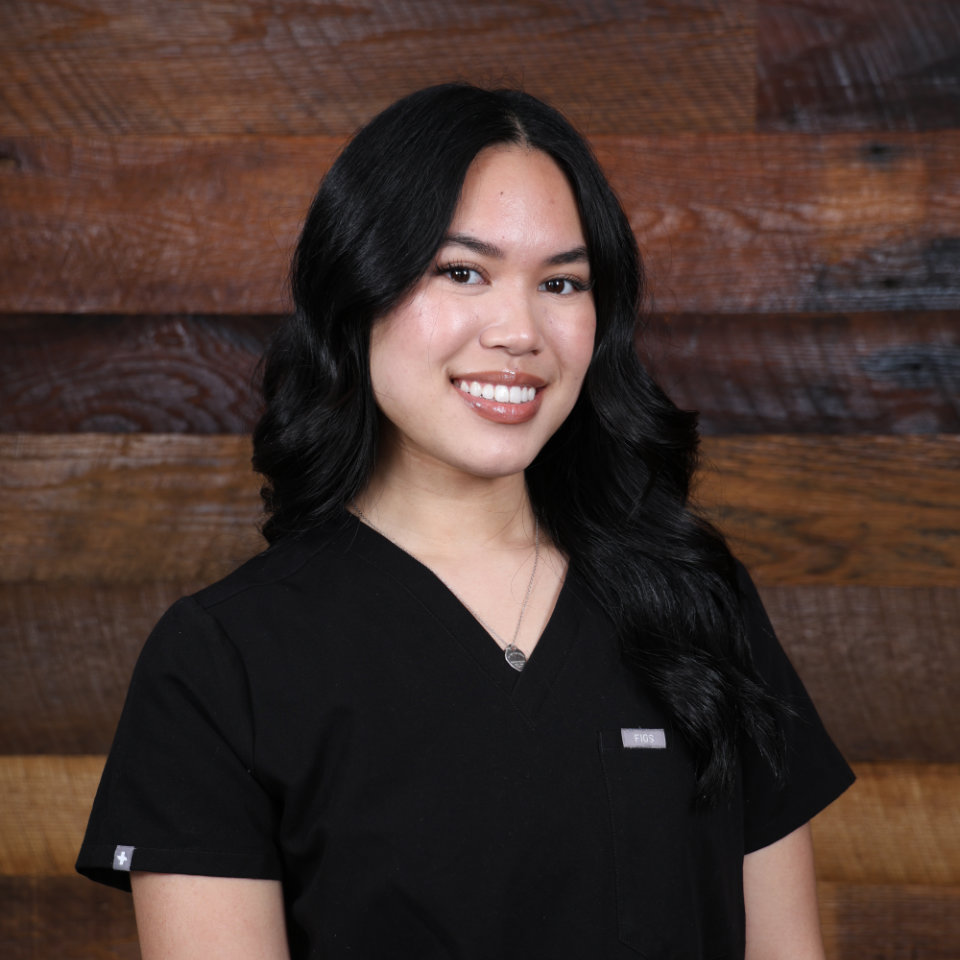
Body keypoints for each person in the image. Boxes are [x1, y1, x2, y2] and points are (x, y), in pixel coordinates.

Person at [77, 83, 854, 959]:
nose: (520, 330)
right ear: (358, 284)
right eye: (462, 272)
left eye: (562, 282)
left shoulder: (697, 603)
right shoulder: (222, 662)